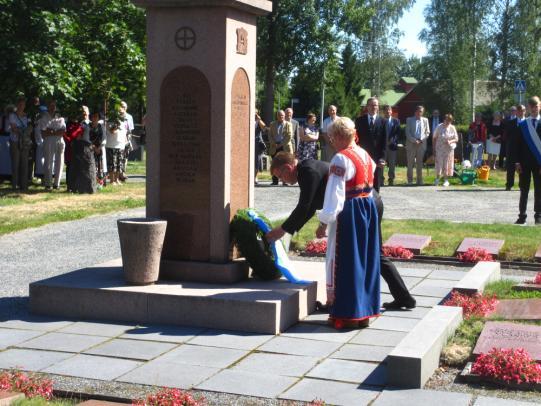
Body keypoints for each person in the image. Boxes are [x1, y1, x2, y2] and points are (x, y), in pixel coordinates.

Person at [266, 151, 416, 311]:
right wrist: (319, 225)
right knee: (375, 254)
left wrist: (282, 230)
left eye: (280, 176)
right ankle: (403, 297)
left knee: (343, 255)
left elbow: (304, 206)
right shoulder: (307, 169)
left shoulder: (308, 171)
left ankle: (337, 303)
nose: (282, 180)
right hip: (370, 202)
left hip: (361, 204)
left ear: (288, 167)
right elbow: (311, 207)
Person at [316, 117, 381, 328]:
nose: (331, 141)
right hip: (367, 208)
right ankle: (363, 313)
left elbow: (335, 194)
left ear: (341, 136)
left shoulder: (340, 159)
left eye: (332, 137)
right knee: (364, 259)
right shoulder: (365, 155)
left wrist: (324, 221)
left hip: (350, 210)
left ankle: (345, 314)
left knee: (344, 260)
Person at [513, 96, 541, 225]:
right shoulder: (523, 125)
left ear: (539, 107)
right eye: (532, 106)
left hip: (539, 163)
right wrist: (517, 162)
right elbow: (517, 144)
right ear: (528, 108)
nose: (534, 108)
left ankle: (538, 216)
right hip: (524, 163)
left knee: (539, 190)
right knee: (524, 190)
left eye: (536, 106)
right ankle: (522, 216)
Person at [354, 97, 386, 191]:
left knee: (376, 182)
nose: (374, 107)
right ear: (367, 107)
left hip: (377, 157)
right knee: (363, 180)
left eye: (375, 105)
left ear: (378, 107)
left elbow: (384, 141)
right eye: (371, 105)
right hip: (363, 156)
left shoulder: (383, 121)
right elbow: (356, 139)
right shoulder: (359, 121)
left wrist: (383, 158)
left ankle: (375, 203)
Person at [38, 99, 66, 190]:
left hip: (60, 140)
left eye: (54, 105)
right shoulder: (44, 117)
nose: (53, 107)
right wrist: (55, 131)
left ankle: (56, 183)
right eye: (51, 105)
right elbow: (44, 133)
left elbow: (63, 131)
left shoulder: (60, 117)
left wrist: (51, 131)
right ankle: (48, 183)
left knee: (60, 162)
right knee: (48, 161)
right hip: (48, 141)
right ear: (48, 106)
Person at [69, 106, 96, 194]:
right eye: (82, 111)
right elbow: (71, 136)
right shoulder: (77, 124)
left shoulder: (92, 124)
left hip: (88, 148)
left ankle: (89, 189)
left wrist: (94, 145)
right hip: (78, 147)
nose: (83, 113)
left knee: (88, 168)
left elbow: (96, 136)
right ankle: (76, 188)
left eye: (85, 111)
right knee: (77, 168)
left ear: (88, 113)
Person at [8, 96, 32, 191]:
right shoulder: (12, 115)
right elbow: (14, 128)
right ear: (17, 105)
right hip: (15, 141)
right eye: (20, 104)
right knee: (15, 164)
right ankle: (14, 185)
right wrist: (24, 131)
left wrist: (26, 131)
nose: (21, 106)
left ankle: (24, 185)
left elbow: (30, 127)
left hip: (24, 142)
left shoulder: (26, 116)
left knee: (24, 163)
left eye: (23, 104)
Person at [405, 105, 430, 185]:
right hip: (411, 144)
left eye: (421, 111)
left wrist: (421, 139)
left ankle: (419, 181)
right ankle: (410, 181)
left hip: (421, 144)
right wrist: (414, 140)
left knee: (420, 163)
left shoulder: (425, 120)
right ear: (415, 111)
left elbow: (427, 132)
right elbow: (407, 132)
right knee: (410, 163)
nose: (420, 113)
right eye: (419, 111)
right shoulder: (409, 120)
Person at [268, 110, 293, 185]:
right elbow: (270, 135)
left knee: (285, 164)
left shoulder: (288, 124)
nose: (281, 117)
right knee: (275, 164)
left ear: (284, 116)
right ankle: (275, 181)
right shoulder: (272, 124)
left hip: (285, 147)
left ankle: (285, 181)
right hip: (274, 147)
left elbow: (289, 136)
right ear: (277, 116)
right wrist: (274, 143)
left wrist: (281, 144)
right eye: (279, 115)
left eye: (282, 115)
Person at [433, 114, 459, 187]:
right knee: (439, 164)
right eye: (447, 120)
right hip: (439, 149)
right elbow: (434, 138)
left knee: (447, 165)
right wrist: (433, 149)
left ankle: (446, 180)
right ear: (444, 120)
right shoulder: (439, 127)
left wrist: (450, 141)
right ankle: (437, 179)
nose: (448, 122)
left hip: (449, 150)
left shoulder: (452, 127)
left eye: (450, 120)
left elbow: (456, 139)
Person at [105, 108, 129, 186]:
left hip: (121, 146)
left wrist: (126, 142)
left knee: (119, 164)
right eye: (120, 113)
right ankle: (112, 180)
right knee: (112, 164)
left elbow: (125, 132)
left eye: (122, 113)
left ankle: (117, 179)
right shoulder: (110, 121)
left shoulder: (124, 122)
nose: (121, 115)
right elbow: (112, 131)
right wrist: (117, 124)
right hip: (112, 145)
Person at [504, 105, 525, 190]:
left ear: (525, 111)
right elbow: (507, 136)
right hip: (512, 149)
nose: (521, 112)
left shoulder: (528, 122)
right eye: (519, 110)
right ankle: (509, 184)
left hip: (524, 150)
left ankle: (522, 185)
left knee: (523, 168)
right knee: (510, 168)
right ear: (516, 112)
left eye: (522, 110)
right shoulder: (510, 122)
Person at [382, 105, 400, 186]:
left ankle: (391, 179)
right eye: (386, 110)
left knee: (392, 164)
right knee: (381, 163)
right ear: (383, 112)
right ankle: (381, 179)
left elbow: (397, 134)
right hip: (382, 146)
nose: (388, 112)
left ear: (391, 111)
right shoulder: (380, 121)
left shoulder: (396, 121)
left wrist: (391, 141)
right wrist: (384, 142)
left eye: (389, 110)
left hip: (392, 146)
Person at [89, 111, 105, 188]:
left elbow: (104, 138)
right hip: (90, 149)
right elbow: (86, 138)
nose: (95, 118)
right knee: (92, 165)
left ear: (99, 118)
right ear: (91, 117)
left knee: (99, 166)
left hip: (99, 149)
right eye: (93, 116)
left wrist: (99, 147)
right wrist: (93, 147)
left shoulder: (101, 126)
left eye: (96, 116)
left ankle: (100, 183)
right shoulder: (87, 126)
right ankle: (92, 182)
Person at [119, 101, 133, 182]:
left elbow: (130, 130)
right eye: (121, 106)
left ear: (126, 108)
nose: (122, 108)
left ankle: (123, 172)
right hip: (118, 140)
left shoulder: (129, 117)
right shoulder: (116, 116)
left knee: (125, 157)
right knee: (119, 157)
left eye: (124, 106)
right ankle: (120, 174)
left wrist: (128, 140)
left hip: (126, 140)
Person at [254, 110, 266, 185]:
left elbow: (264, 128)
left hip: (257, 144)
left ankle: (255, 177)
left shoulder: (258, 121)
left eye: (255, 113)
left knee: (257, 161)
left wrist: (259, 120)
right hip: (248, 141)